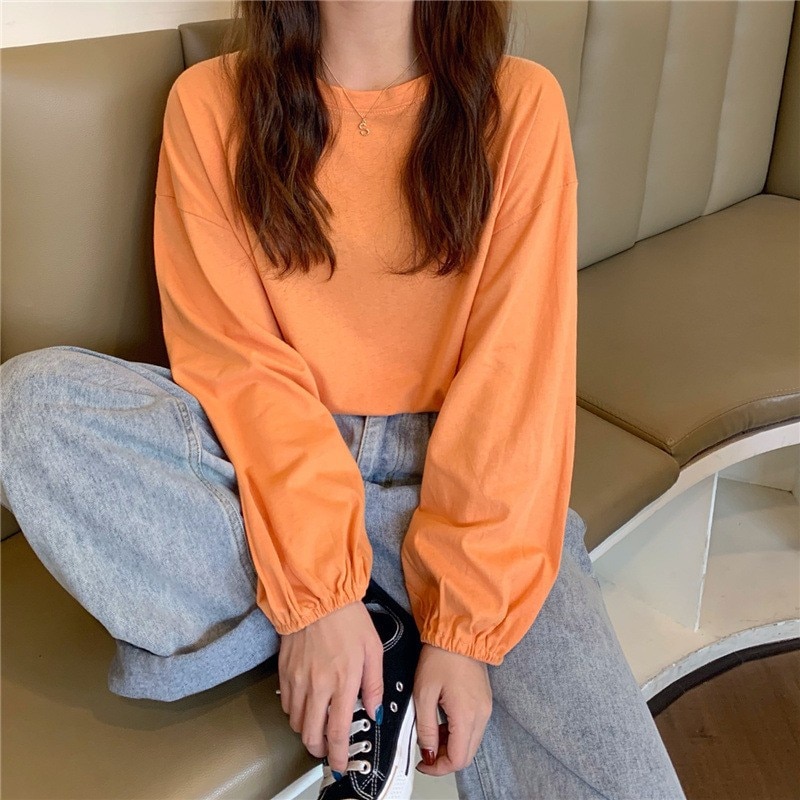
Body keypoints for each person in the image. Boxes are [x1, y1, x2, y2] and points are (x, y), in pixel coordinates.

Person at [0, 1, 688, 798]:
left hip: (462, 482)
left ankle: (366, 628)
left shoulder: (519, 105)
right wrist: (319, 599)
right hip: (261, 469)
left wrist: (464, 632)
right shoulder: (210, 103)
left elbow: (513, 380)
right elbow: (237, 367)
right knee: (31, 408)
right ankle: (370, 631)